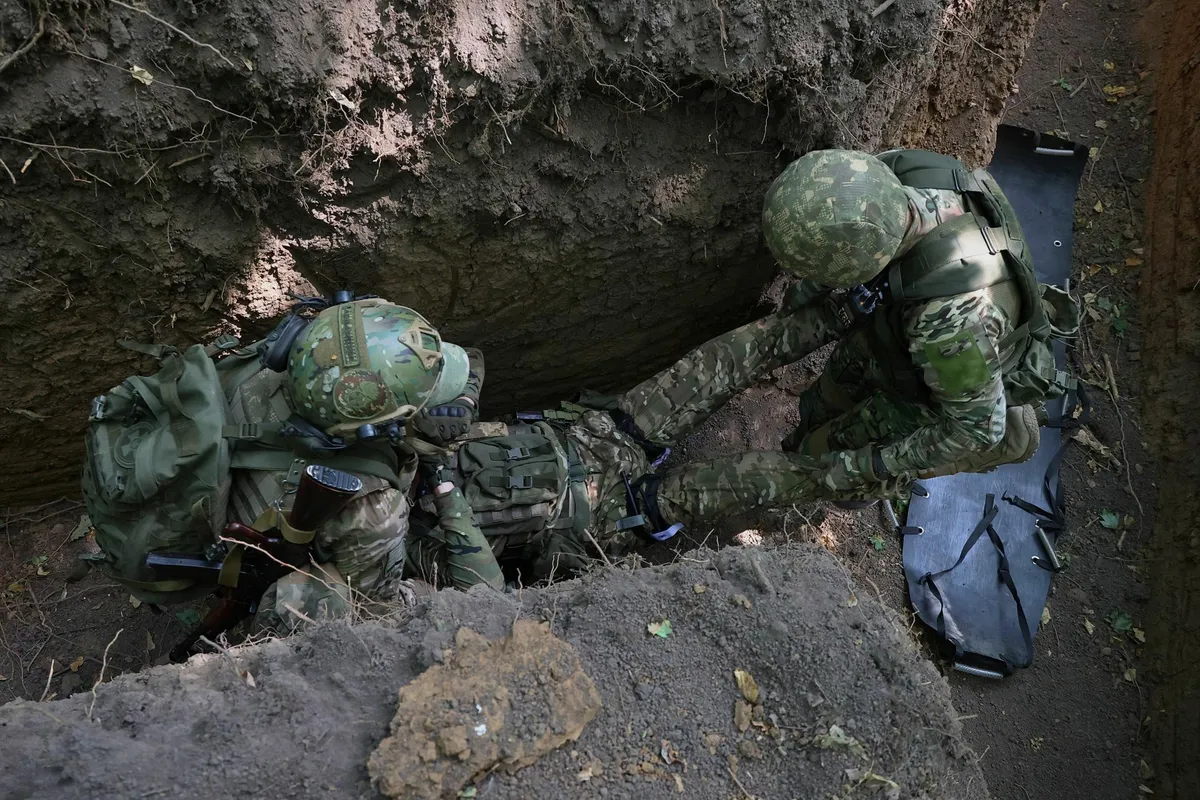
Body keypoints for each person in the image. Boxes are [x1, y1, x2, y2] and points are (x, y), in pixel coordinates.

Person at [404, 147, 1078, 586]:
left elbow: (974, 431)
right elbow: (774, 333)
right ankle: (658, 480)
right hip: (894, 332)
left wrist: (857, 469)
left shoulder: (948, 323)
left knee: (821, 461)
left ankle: (684, 500)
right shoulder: (891, 180)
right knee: (756, 375)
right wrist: (830, 317)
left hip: (951, 400)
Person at [224, 296, 503, 634]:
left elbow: (468, 357)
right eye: (421, 404)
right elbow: (375, 609)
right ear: (370, 427)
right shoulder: (375, 508)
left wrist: (463, 399)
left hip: (232, 503)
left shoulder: (305, 356)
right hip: (260, 562)